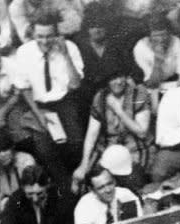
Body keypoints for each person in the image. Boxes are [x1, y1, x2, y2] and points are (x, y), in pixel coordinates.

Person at [15, 13, 85, 178]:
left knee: (75, 143)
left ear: (56, 35)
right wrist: (39, 115)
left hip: (64, 101)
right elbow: (24, 88)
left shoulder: (69, 47)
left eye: (49, 36)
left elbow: (75, 84)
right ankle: (62, 185)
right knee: (45, 150)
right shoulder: (24, 52)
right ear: (33, 34)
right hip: (38, 104)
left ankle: (75, 178)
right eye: (40, 36)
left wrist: (65, 54)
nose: (45, 41)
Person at [73, 65, 152, 183]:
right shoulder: (100, 97)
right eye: (114, 78)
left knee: (129, 182)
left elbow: (141, 132)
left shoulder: (138, 92)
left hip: (135, 150)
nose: (119, 81)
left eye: (121, 76)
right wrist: (83, 164)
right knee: (87, 181)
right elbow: (91, 135)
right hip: (108, 150)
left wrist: (118, 110)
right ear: (106, 81)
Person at [133, 12, 180, 94]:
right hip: (152, 87)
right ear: (148, 37)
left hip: (174, 83)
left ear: (169, 33)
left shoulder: (176, 41)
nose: (161, 39)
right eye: (156, 35)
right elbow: (151, 84)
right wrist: (158, 61)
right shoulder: (140, 48)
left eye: (164, 34)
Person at [0, 129, 36, 211]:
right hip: (6, 206)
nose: (2, 155)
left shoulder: (26, 161)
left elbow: (32, 191)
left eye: (5, 149)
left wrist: (11, 202)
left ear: (12, 147)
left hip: (28, 204)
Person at [73, 169, 142, 224]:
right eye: (101, 188)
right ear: (92, 190)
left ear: (114, 181)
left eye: (109, 184)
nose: (108, 190)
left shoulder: (125, 195)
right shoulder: (84, 207)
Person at [9, 0, 82, 42]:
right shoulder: (16, 6)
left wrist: (52, 29)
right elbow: (26, 37)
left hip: (61, 38)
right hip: (37, 43)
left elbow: (76, 23)